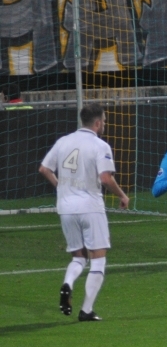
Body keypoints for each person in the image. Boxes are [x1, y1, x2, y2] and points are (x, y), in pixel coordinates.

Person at [38, 103, 130, 322]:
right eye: (104, 121)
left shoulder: (63, 141)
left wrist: (61, 186)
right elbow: (106, 178)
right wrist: (122, 195)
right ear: (97, 123)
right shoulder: (100, 146)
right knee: (98, 259)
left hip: (66, 208)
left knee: (78, 257)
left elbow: (44, 168)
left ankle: (68, 283)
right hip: (90, 207)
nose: (105, 124)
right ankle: (86, 310)